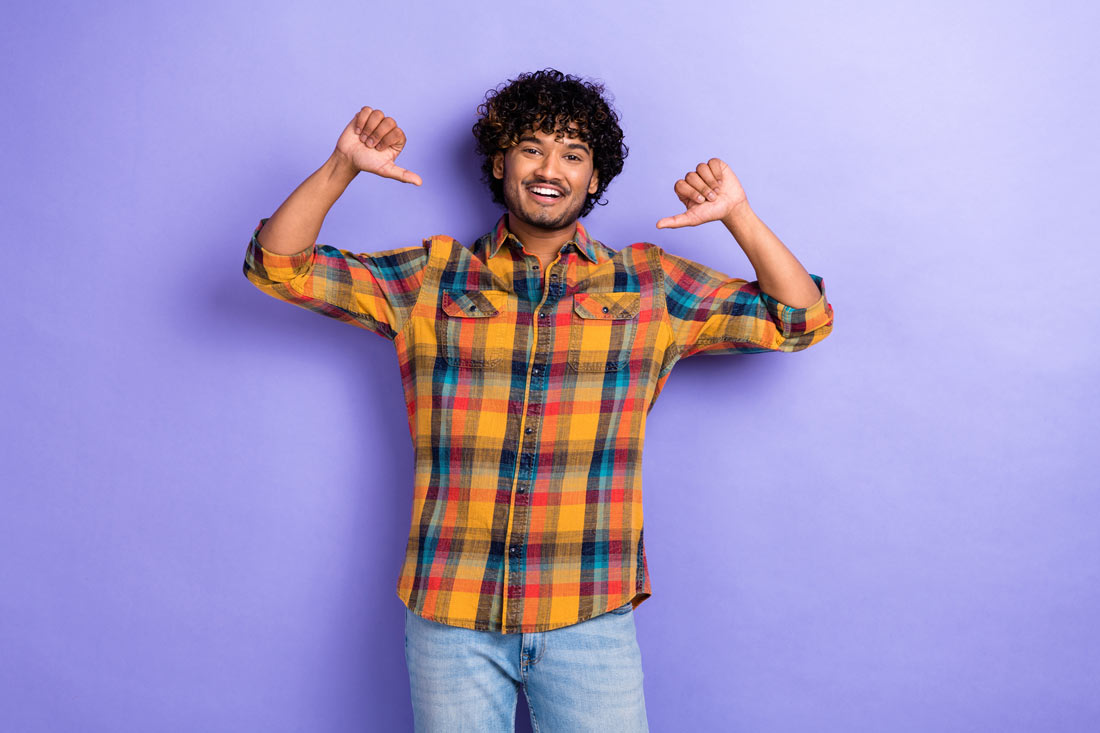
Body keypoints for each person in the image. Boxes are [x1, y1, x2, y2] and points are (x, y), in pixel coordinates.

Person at [244, 69, 833, 732]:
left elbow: (799, 319)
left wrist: (738, 215)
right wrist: (341, 167)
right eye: (532, 147)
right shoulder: (432, 277)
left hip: (588, 614)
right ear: (501, 163)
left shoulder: (649, 285)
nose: (550, 167)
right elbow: (278, 266)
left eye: (574, 154)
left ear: (595, 180)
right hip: (450, 612)